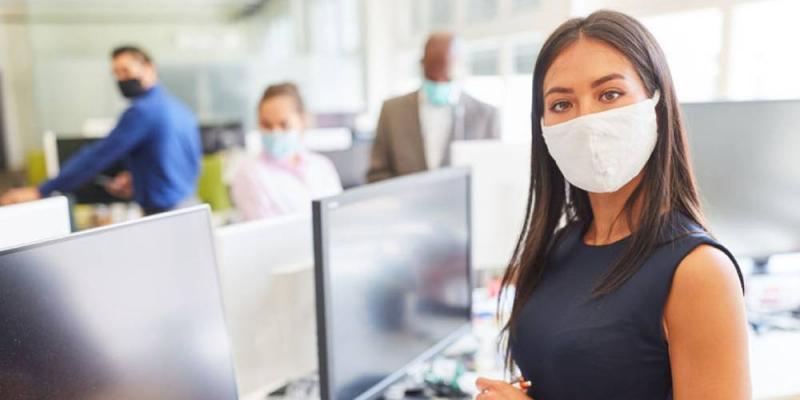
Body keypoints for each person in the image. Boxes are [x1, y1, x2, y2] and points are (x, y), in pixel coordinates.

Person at [475, 10, 750, 400]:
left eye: (609, 95)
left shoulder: (698, 271)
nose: (586, 120)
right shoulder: (561, 245)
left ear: (656, 105)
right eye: (561, 104)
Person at [0, 45, 201, 216]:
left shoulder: (143, 111)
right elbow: (183, 163)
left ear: (149, 68)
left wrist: (42, 191)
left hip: (166, 213)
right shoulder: (178, 108)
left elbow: (98, 156)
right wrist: (140, 178)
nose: (121, 78)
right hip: (189, 206)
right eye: (116, 73)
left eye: (126, 70)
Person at [366, 32, 500, 182]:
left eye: (447, 77)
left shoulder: (486, 116)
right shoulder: (392, 111)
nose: (439, 82)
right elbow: (376, 175)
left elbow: (493, 177)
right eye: (432, 77)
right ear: (422, 65)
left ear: (462, 66)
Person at [230, 82, 342, 221]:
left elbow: (339, 216)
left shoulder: (322, 166)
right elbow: (268, 228)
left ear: (302, 121)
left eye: (284, 124)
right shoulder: (249, 173)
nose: (275, 132)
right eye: (266, 125)